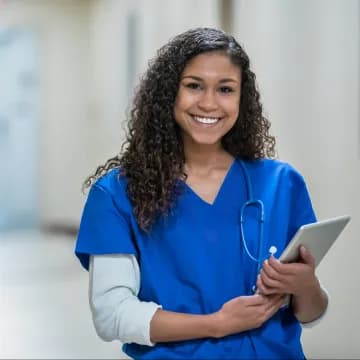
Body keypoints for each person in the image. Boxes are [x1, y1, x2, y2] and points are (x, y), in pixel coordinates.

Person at [75, 27, 328, 359]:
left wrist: (305, 286)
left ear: (241, 99)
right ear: (169, 94)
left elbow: (309, 314)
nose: (209, 103)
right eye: (194, 86)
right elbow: (111, 315)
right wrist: (217, 323)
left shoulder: (281, 184)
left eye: (225, 89)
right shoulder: (116, 194)